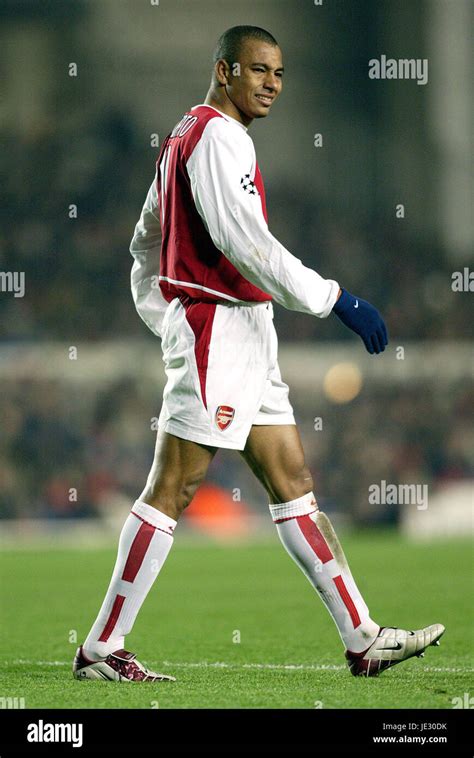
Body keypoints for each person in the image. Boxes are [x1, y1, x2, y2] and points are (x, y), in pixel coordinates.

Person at [73, 26, 443, 682]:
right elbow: (249, 245)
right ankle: (103, 644)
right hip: (220, 333)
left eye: (279, 72)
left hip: (241, 333)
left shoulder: (187, 135)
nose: (272, 82)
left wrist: (167, 314)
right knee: (174, 486)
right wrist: (335, 299)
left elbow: (144, 243)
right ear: (224, 71)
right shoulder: (218, 138)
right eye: (258, 70)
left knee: (293, 485)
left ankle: (361, 637)